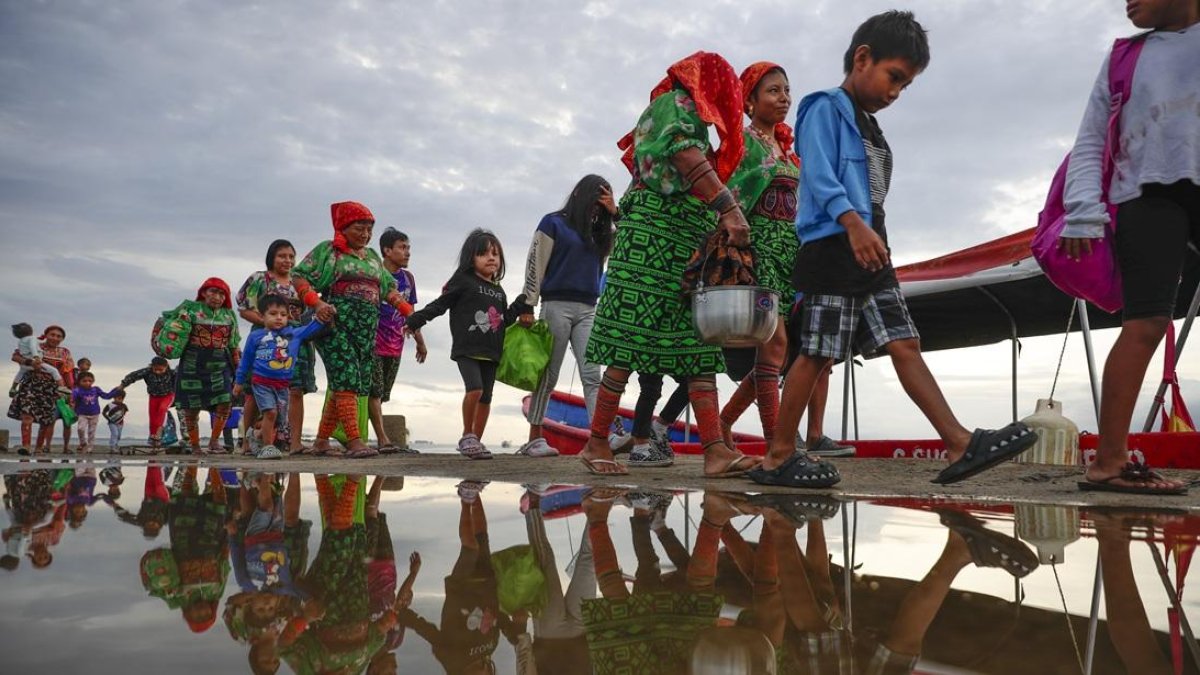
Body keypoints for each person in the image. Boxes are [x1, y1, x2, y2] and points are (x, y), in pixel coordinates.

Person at [751, 11, 1037, 489]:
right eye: (894, 77)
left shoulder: (870, 126)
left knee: (904, 342)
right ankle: (778, 456)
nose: (896, 92)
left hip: (870, 247)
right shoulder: (825, 107)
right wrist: (852, 224)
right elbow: (818, 174)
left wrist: (871, 234)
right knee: (818, 352)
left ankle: (959, 442)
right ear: (863, 58)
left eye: (905, 85)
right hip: (834, 245)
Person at [581, 51, 761, 478]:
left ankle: (715, 451)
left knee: (697, 345)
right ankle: (596, 442)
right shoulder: (675, 105)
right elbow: (684, 155)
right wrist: (729, 209)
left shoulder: (691, 118)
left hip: (683, 240)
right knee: (628, 339)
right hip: (650, 240)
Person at [1062, 0, 1197, 496]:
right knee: (1145, 322)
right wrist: (1082, 210)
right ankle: (1109, 463)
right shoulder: (1125, 56)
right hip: (1145, 192)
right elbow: (1092, 138)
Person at [292, 201, 414, 459]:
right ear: (343, 227)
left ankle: (321, 441)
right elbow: (300, 276)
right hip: (336, 325)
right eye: (360, 228)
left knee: (350, 382)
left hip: (366, 331)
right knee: (346, 377)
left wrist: (410, 314)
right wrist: (317, 303)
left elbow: (388, 289)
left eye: (369, 229)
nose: (365, 234)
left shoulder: (371, 257)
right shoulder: (329, 251)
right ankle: (355, 441)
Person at [405, 228, 532, 459]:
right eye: (484, 254)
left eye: (495, 254)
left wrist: (521, 303)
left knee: (486, 397)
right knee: (475, 389)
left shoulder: (499, 291)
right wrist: (415, 320)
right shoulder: (463, 281)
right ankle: (467, 435)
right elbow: (440, 305)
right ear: (471, 258)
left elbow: (503, 320)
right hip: (467, 348)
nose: (491, 258)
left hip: (491, 351)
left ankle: (477, 441)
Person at [516, 175, 615, 458]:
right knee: (549, 374)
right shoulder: (553, 223)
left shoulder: (602, 232)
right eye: (596, 201)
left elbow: (630, 240)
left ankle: (600, 438)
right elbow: (535, 263)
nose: (597, 208)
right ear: (581, 195)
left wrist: (615, 214)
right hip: (556, 304)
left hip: (589, 308)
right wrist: (527, 305)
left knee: (592, 375)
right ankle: (534, 438)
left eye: (603, 203)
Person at [236, 239, 317, 456]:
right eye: (282, 256)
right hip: (264, 339)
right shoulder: (259, 279)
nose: (287, 260)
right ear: (271, 257)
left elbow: (310, 310)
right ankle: (245, 442)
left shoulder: (300, 283)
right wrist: (270, 323)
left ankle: (295, 443)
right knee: (254, 391)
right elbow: (244, 309)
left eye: (291, 256)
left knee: (296, 390)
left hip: (294, 340)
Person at [232, 294, 326, 460]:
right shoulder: (256, 336)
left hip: (282, 385)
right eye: (273, 314)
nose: (279, 318)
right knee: (270, 412)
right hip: (261, 382)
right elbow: (246, 361)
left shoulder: (293, 334)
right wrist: (239, 382)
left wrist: (324, 316)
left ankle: (256, 434)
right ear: (262, 316)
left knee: (279, 420)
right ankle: (267, 447)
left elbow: (311, 328)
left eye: (283, 314)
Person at [167, 278, 241, 455]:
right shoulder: (190, 310)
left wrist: (239, 368)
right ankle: (195, 446)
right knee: (191, 408)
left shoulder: (229, 316)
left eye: (222, 294)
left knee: (225, 402)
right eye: (213, 292)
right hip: (192, 364)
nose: (217, 297)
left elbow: (233, 344)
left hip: (219, 365)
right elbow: (175, 331)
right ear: (203, 293)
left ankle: (214, 442)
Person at [370, 227, 426, 454]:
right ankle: (382, 439)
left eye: (408, 248)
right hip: (373, 341)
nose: (407, 252)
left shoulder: (408, 279)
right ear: (387, 250)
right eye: (402, 248)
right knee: (373, 391)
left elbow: (411, 313)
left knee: (382, 394)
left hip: (395, 344)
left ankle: (379, 438)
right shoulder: (374, 274)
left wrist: (420, 341)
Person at [117, 356, 176, 451]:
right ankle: (153, 440)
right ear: (152, 366)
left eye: (161, 370)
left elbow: (183, 378)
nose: (158, 372)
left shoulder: (172, 373)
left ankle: (158, 433)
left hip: (168, 396)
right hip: (153, 397)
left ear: (166, 367)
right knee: (153, 418)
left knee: (162, 409)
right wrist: (122, 385)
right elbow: (133, 376)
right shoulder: (147, 371)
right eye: (155, 369)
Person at [9, 322, 64, 397]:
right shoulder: (36, 344)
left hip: (51, 392)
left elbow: (67, 373)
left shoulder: (65, 352)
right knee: (53, 370)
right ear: (46, 335)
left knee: (20, 372)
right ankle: (62, 387)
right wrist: (31, 362)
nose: (55, 338)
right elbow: (15, 357)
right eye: (52, 335)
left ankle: (13, 388)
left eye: (59, 336)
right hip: (29, 389)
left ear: (62, 339)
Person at [70, 371, 118, 454]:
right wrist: (71, 404)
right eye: (84, 381)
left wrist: (115, 390)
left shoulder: (96, 389)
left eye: (90, 381)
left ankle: (90, 448)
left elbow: (106, 396)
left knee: (91, 432)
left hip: (94, 414)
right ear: (79, 382)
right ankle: (83, 442)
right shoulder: (77, 391)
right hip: (82, 414)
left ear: (93, 381)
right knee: (80, 428)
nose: (87, 383)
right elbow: (72, 399)